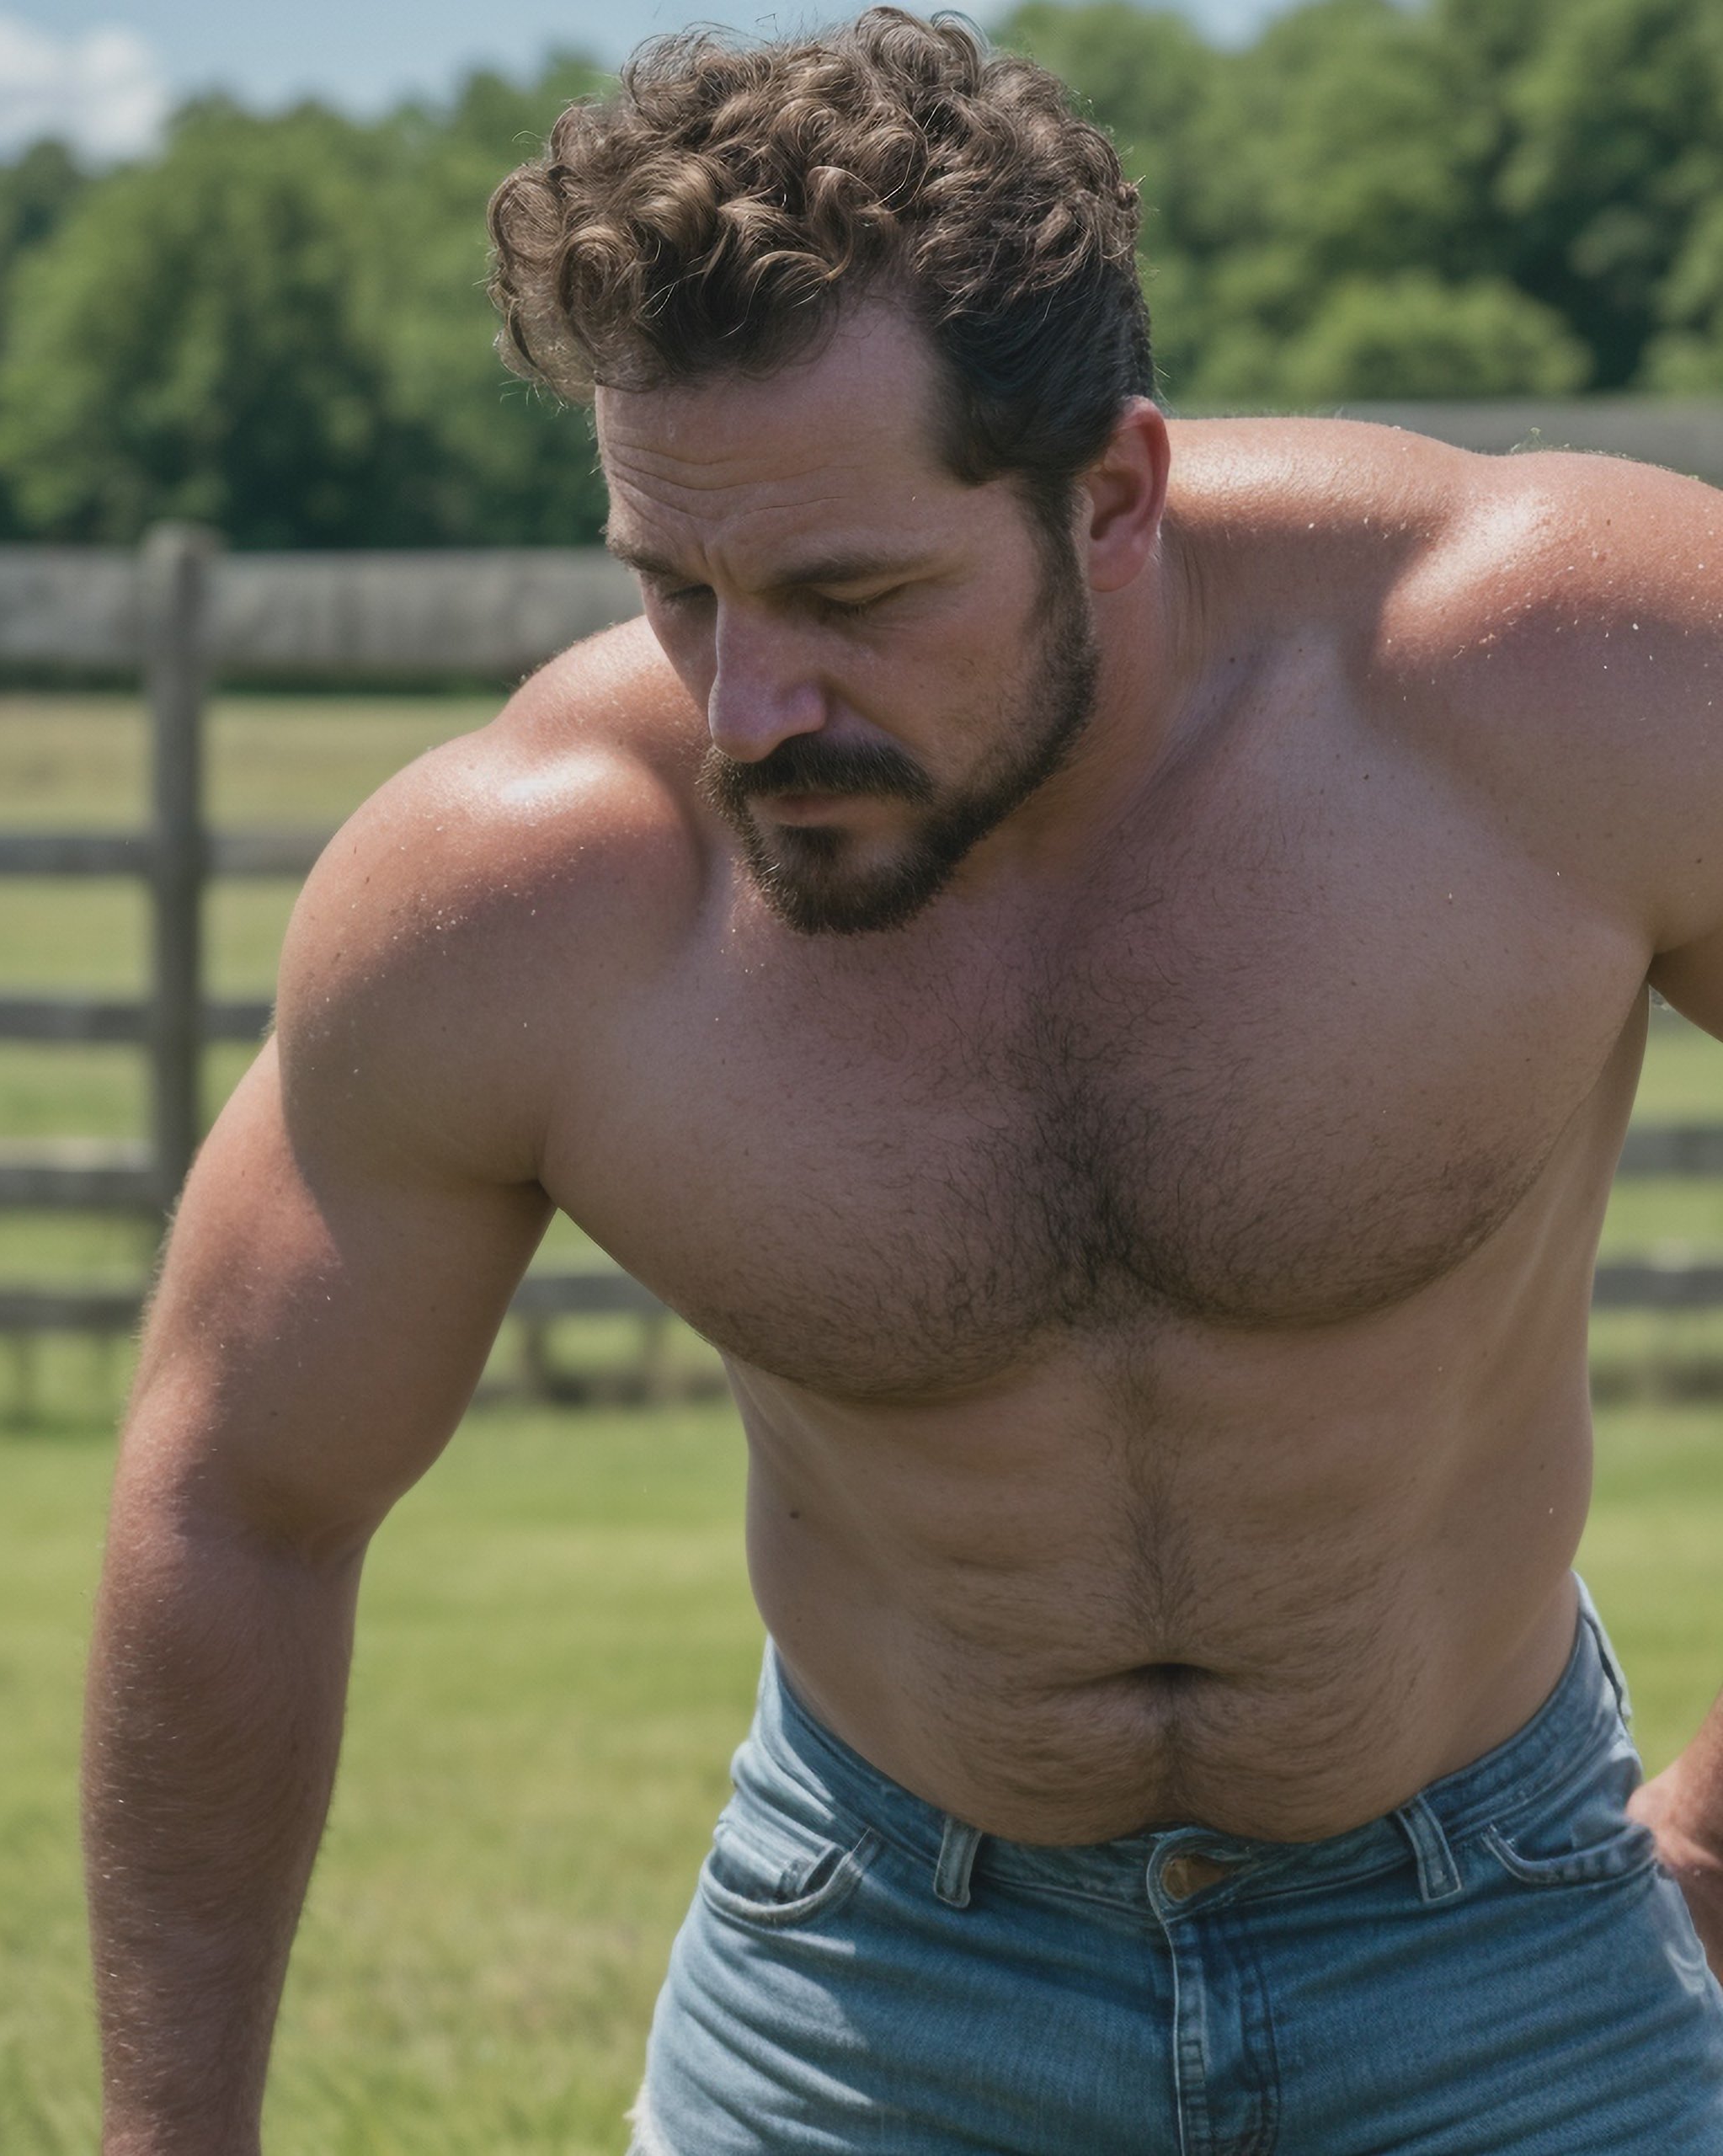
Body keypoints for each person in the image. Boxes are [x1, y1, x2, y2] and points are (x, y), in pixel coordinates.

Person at [84, 10, 1723, 2152]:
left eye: (852, 594)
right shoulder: (533, 886)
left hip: (1506, 1933)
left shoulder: (1550, 682)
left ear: (1115, 492)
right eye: (677, 588)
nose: (752, 703)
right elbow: (238, 1497)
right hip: (874, 1967)